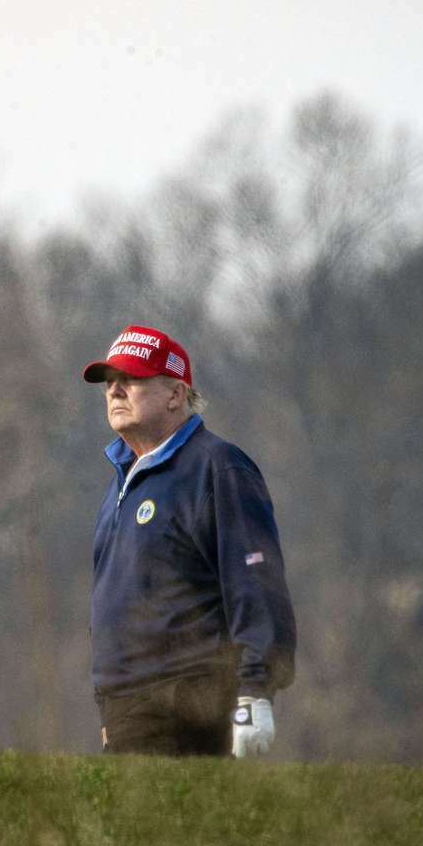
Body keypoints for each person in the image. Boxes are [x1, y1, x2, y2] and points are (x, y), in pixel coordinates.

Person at [83, 324, 296, 758]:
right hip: (127, 711)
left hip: (190, 701)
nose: (115, 390)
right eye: (110, 381)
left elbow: (255, 579)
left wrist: (255, 689)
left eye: (133, 378)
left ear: (176, 394)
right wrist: (109, 706)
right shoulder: (121, 483)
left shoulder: (217, 467)